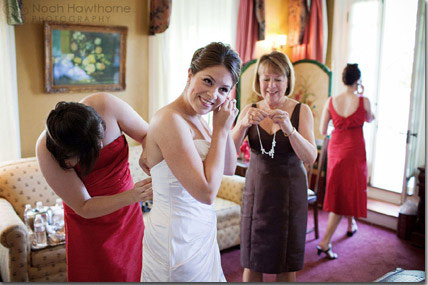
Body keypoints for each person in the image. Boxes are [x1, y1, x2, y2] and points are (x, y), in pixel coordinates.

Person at [140, 42, 240, 282]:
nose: (213, 95)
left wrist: (223, 130)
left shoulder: (202, 118)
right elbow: (206, 192)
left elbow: (228, 168)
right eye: (208, 81)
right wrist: (219, 131)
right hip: (176, 238)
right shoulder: (169, 120)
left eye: (224, 89)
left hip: (202, 230)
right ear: (190, 74)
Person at [36, 93, 153, 282]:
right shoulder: (46, 149)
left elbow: (148, 134)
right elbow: (84, 206)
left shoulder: (106, 104)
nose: (100, 145)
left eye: (101, 138)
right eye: (92, 148)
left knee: (135, 270)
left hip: (128, 215)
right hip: (89, 223)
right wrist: (133, 196)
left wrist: (146, 154)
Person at [231, 51, 317, 282]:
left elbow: (310, 157)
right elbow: (228, 152)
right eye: (266, 78)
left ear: (288, 81)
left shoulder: (302, 111)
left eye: (278, 78)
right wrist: (241, 127)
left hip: (290, 194)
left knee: (286, 264)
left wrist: (290, 129)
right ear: (258, 81)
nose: (271, 85)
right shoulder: (249, 110)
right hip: (257, 192)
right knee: (252, 261)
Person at [316, 63, 375, 259]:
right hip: (355, 149)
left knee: (342, 188)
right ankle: (325, 242)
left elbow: (323, 130)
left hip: (337, 148)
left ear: (343, 79)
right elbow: (371, 118)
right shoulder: (364, 100)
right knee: (346, 191)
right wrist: (361, 93)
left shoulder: (331, 101)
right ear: (357, 80)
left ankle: (351, 224)